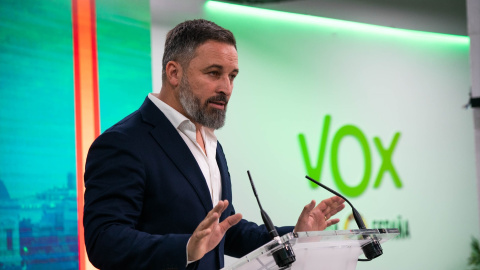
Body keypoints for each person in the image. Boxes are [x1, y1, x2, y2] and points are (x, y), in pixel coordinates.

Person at [83, 19, 345, 270]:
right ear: (174, 73)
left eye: (232, 76)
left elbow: (224, 232)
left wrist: (294, 236)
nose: (227, 88)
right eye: (214, 73)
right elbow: (104, 241)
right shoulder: (123, 143)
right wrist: (185, 248)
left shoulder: (210, 142)